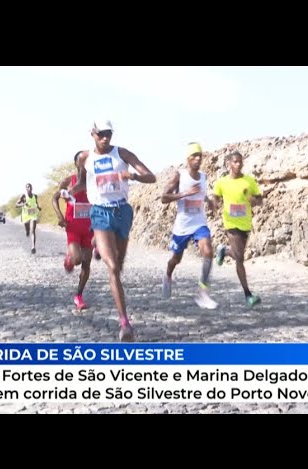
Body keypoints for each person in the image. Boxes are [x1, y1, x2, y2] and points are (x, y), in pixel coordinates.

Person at [70, 119, 156, 342]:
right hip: (100, 212)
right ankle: (125, 322)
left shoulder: (122, 154)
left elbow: (151, 176)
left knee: (120, 262)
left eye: (109, 134)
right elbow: (81, 182)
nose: (105, 138)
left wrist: (134, 176)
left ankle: (100, 245)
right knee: (113, 267)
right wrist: (68, 193)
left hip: (122, 212)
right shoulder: (85, 158)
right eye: (101, 134)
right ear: (93, 134)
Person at [161, 142, 218, 309]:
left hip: (199, 223)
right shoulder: (179, 175)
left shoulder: (204, 177)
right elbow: (164, 197)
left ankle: (202, 293)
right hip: (182, 226)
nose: (198, 159)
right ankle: (167, 276)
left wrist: (210, 202)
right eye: (194, 156)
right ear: (188, 158)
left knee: (208, 251)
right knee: (175, 259)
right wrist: (185, 193)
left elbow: (203, 194)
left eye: (200, 155)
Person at [210, 151, 263, 306]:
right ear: (228, 164)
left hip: (245, 223)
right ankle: (248, 295)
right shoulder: (222, 182)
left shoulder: (249, 181)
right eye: (235, 162)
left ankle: (224, 251)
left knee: (237, 254)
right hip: (230, 223)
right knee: (240, 258)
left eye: (240, 162)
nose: (238, 164)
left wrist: (252, 199)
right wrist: (215, 203)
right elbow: (216, 198)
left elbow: (260, 201)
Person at [52, 151, 94, 310]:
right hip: (73, 227)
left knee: (86, 263)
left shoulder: (94, 181)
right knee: (77, 260)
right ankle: (70, 257)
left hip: (90, 227)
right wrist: (60, 217)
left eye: (88, 161)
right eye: (82, 162)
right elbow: (54, 198)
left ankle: (79, 295)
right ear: (76, 164)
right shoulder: (69, 181)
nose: (85, 165)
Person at [16, 183, 42, 254]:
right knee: (27, 229)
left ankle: (33, 247)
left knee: (33, 230)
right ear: (26, 188)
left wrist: (38, 207)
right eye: (28, 187)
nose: (29, 188)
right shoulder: (23, 196)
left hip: (33, 213)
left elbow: (36, 203)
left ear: (32, 188)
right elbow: (16, 205)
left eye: (30, 187)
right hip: (25, 214)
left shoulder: (35, 196)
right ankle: (27, 231)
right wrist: (23, 204)